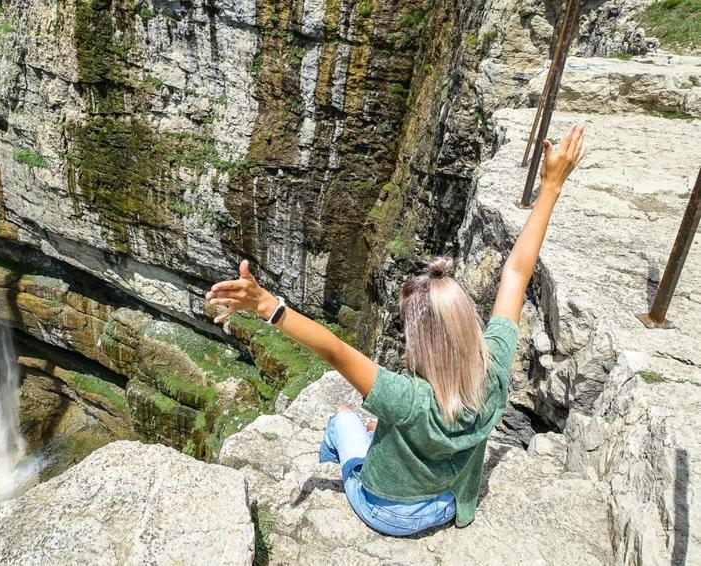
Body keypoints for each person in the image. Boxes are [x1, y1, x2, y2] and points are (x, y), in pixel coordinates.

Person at [206, 124, 586, 536]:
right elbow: (516, 273)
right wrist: (550, 187)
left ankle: (346, 450)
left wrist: (266, 304)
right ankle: (374, 434)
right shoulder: (493, 368)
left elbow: (333, 350)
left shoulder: (409, 399)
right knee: (373, 425)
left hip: (387, 511)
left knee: (343, 418)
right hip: (446, 503)